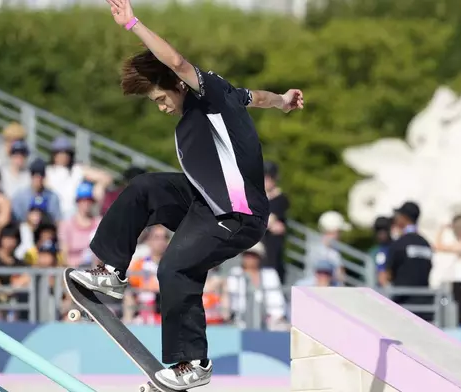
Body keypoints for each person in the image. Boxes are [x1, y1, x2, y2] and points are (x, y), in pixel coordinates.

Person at [68, 1, 304, 389]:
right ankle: (110, 270)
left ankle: (192, 362)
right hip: (205, 204)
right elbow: (254, 98)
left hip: (237, 215)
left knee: (175, 268)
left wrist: (133, 24)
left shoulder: (205, 91)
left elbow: (176, 62)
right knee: (145, 187)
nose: (162, 108)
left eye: (162, 99)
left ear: (179, 86)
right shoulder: (226, 93)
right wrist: (281, 100)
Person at [381, 201, 433, 321]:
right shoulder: (426, 244)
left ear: (404, 218)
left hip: (403, 306)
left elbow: (388, 273)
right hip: (426, 306)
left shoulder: (399, 244)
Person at [262, 161, 289, 283]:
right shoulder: (256, 197)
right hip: (256, 253)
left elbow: (267, 220)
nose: (267, 180)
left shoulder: (281, 199)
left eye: (270, 176)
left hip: (272, 257)